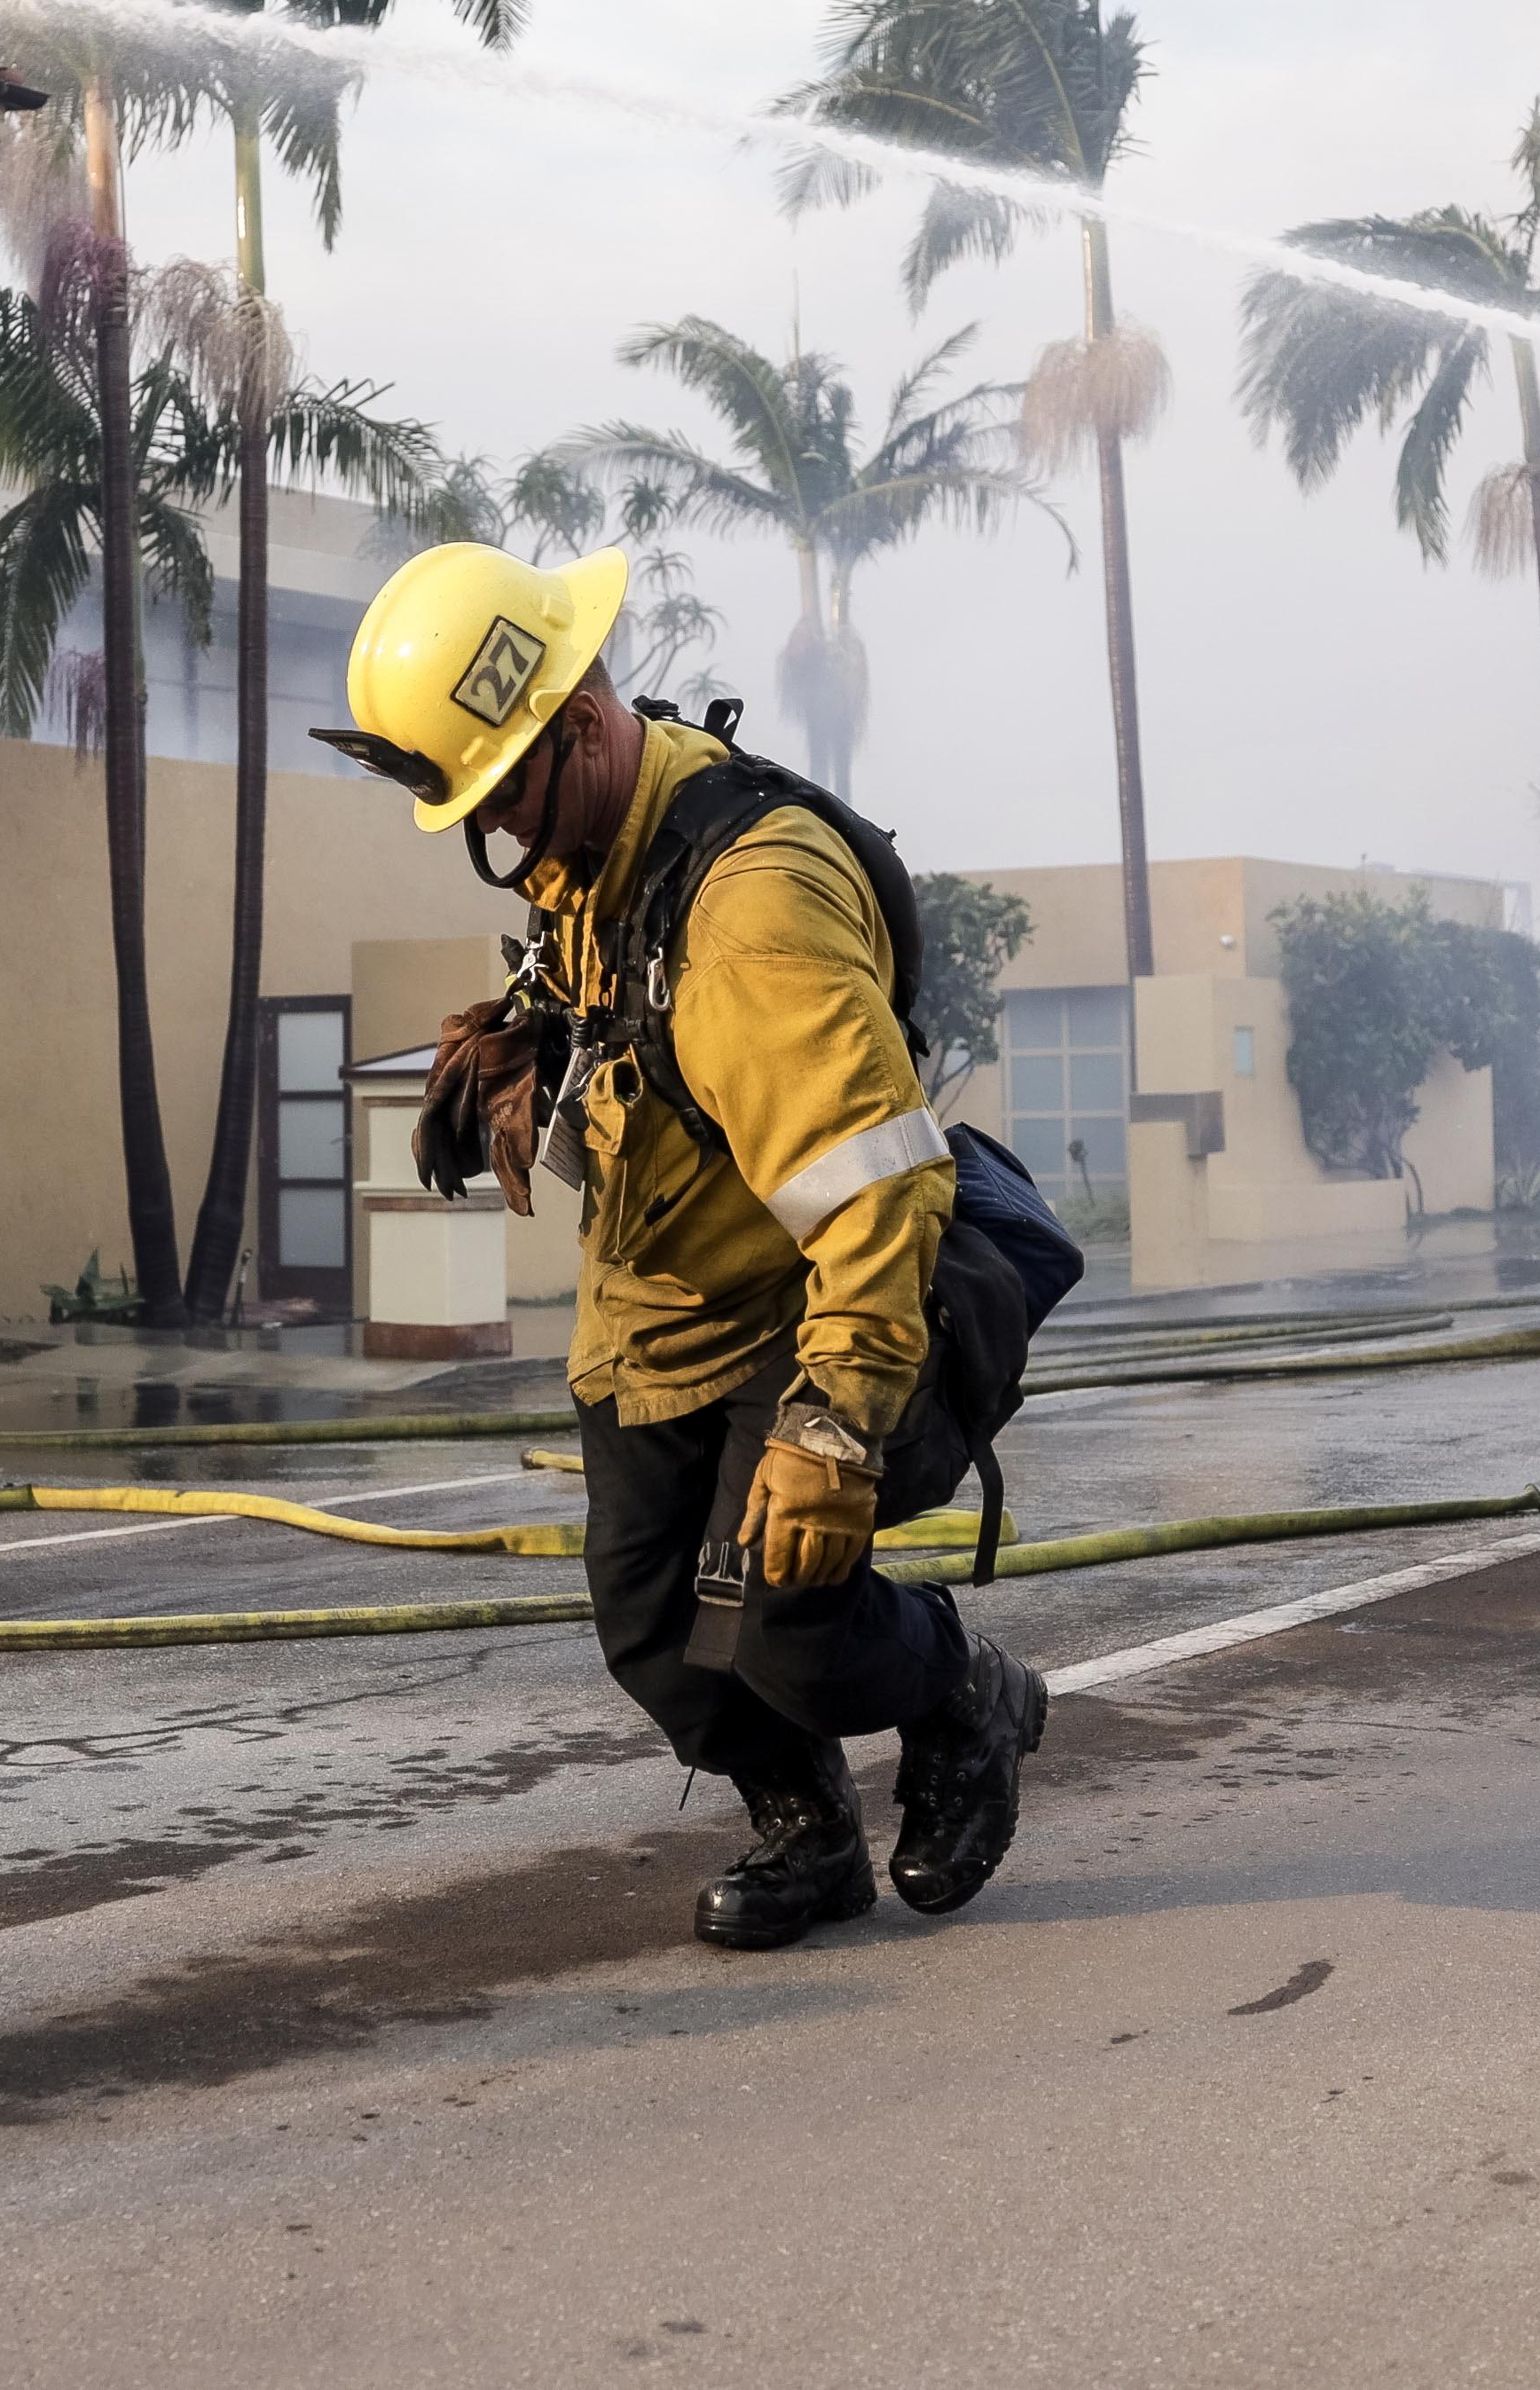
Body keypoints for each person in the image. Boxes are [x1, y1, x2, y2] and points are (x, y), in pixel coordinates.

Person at [315, 540, 1049, 1952]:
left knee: (783, 1615)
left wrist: (830, 1427)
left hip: (811, 1301)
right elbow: (624, 1005)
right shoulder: (592, 844)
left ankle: (966, 1695)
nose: (507, 851)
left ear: (579, 727)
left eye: (501, 809)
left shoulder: (753, 910)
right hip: (656, 1307)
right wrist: (530, 1035)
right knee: (652, 1629)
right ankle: (810, 1832)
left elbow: (876, 1191)